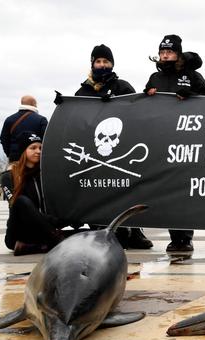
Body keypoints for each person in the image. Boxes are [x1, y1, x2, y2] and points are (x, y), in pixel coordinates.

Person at [74, 44, 153, 250]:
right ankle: (102, 230)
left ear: (112, 64)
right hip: (93, 149)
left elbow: (138, 113)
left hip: (122, 146)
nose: (102, 65)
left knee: (126, 191)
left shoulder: (123, 87)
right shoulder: (82, 91)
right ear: (92, 63)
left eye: (106, 61)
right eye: (98, 61)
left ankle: (134, 231)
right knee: (97, 193)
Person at [145, 34, 205, 252]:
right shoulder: (154, 77)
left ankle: (186, 236)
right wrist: (148, 94)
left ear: (178, 53)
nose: (165, 55)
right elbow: (142, 105)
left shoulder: (192, 75)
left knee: (183, 191)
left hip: (187, 141)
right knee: (167, 191)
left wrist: (191, 94)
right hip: (163, 141)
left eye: (170, 51)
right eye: (162, 51)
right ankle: (175, 237)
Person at [0, 132, 65, 256]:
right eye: (33, 148)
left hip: (43, 230)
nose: (39, 151)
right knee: (21, 201)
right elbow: (18, 207)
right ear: (23, 151)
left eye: (41, 148)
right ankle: (56, 240)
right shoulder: (8, 176)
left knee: (82, 235)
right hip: (19, 233)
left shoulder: (44, 175)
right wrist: (54, 222)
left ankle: (38, 246)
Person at [0, 96, 48, 162]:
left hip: (15, 158)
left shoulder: (9, 119)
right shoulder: (41, 120)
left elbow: (3, 138)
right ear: (34, 104)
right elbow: (47, 139)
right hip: (34, 159)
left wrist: (10, 154)